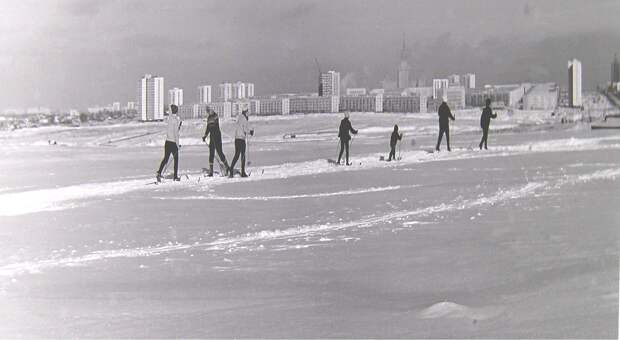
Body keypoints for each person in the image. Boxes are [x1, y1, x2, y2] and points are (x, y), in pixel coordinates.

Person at [156, 104, 182, 182]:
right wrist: (178, 145)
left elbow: (172, 130)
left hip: (167, 142)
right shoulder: (175, 120)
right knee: (176, 160)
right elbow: (176, 134)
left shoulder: (169, 119)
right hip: (173, 143)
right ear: (176, 111)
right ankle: (175, 177)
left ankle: (159, 173)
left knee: (165, 159)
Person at [202, 109, 230, 176]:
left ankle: (227, 167)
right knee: (211, 154)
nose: (208, 113)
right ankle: (211, 172)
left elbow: (213, 125)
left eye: (209, 111)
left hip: (217, 137)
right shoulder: (209, 118)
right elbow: (208, 128)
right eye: (208, 112)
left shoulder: (215, 116)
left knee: (220, 153)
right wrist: (205, 136)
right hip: (212, 138)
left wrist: (211, 116)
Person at [229, 104, 254, 178]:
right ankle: (242, 172)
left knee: (236, 155)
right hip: (241, 139)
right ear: (245, 111)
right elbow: (245, 129)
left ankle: (231, 169)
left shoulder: (239, 118)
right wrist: (251, 132)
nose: (248, 113)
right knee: (243, 155)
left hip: (237, 139)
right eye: (247, 111)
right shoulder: (244, 119)